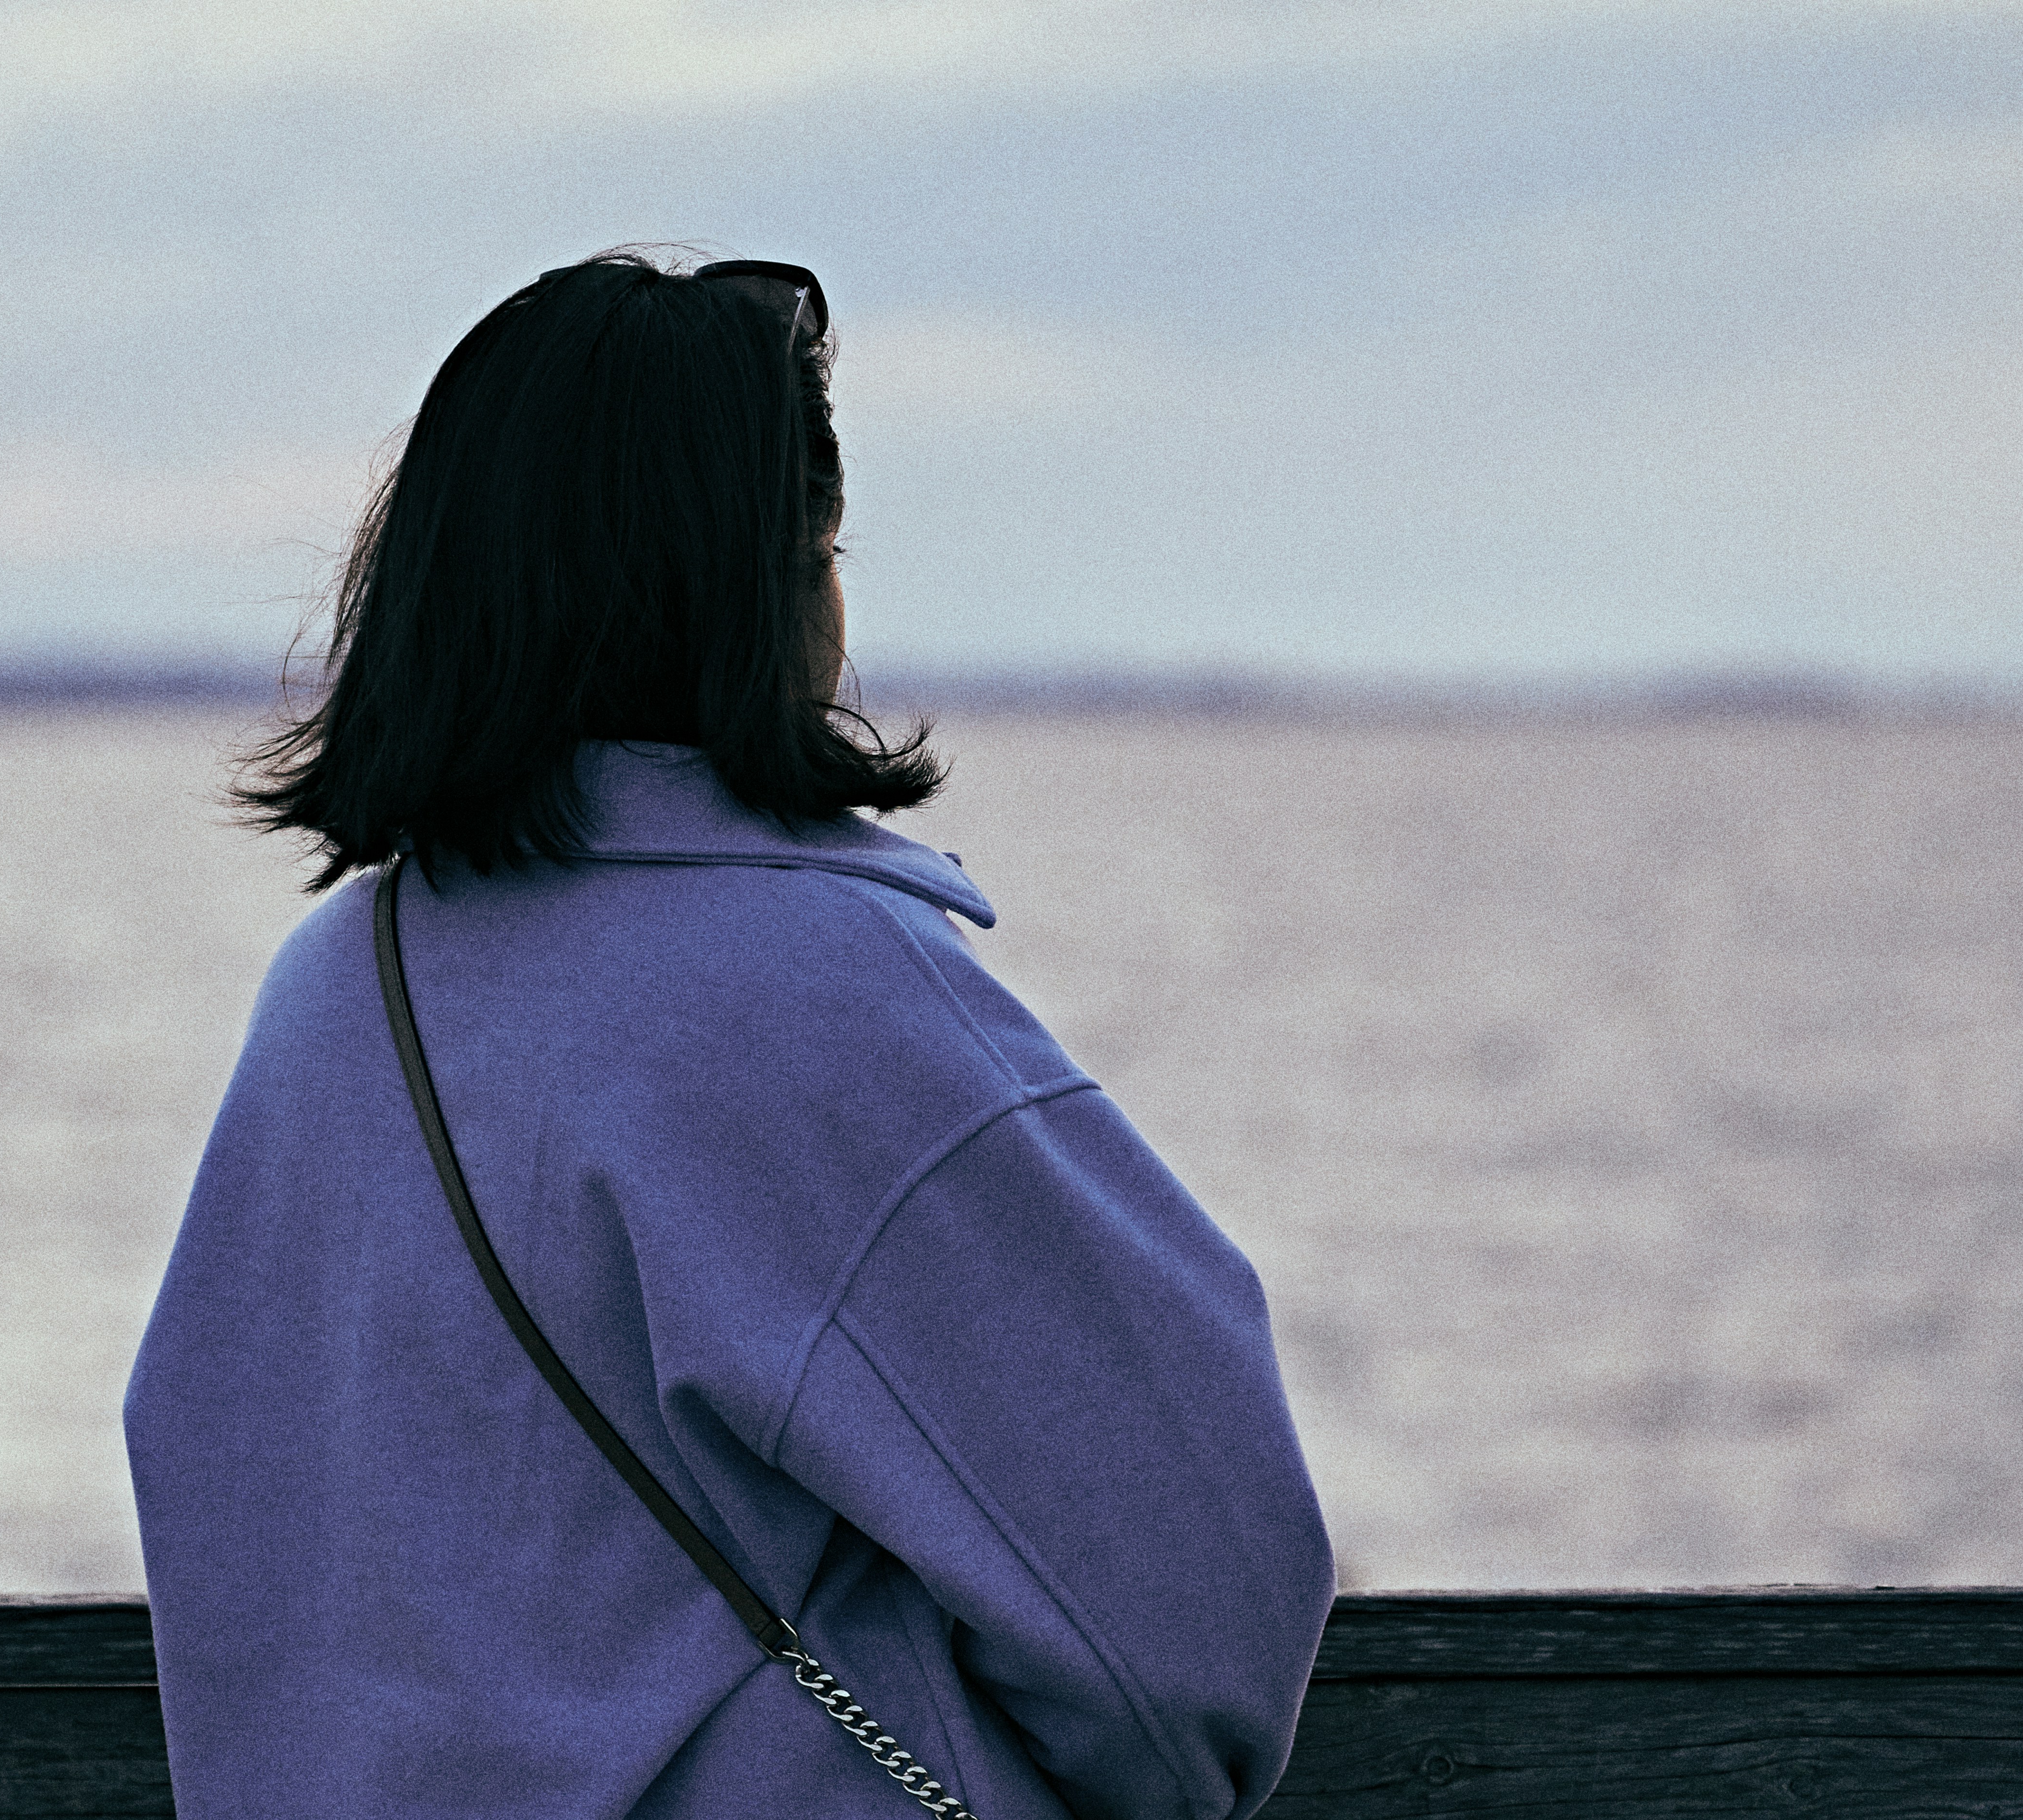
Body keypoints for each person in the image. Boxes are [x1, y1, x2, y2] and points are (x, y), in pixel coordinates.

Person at [125, 249, 1333, 1819]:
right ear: (753, 583)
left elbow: (222, 1488)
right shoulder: (827, 995)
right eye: (821, 545)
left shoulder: (341, 981)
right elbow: (1195, 1618)